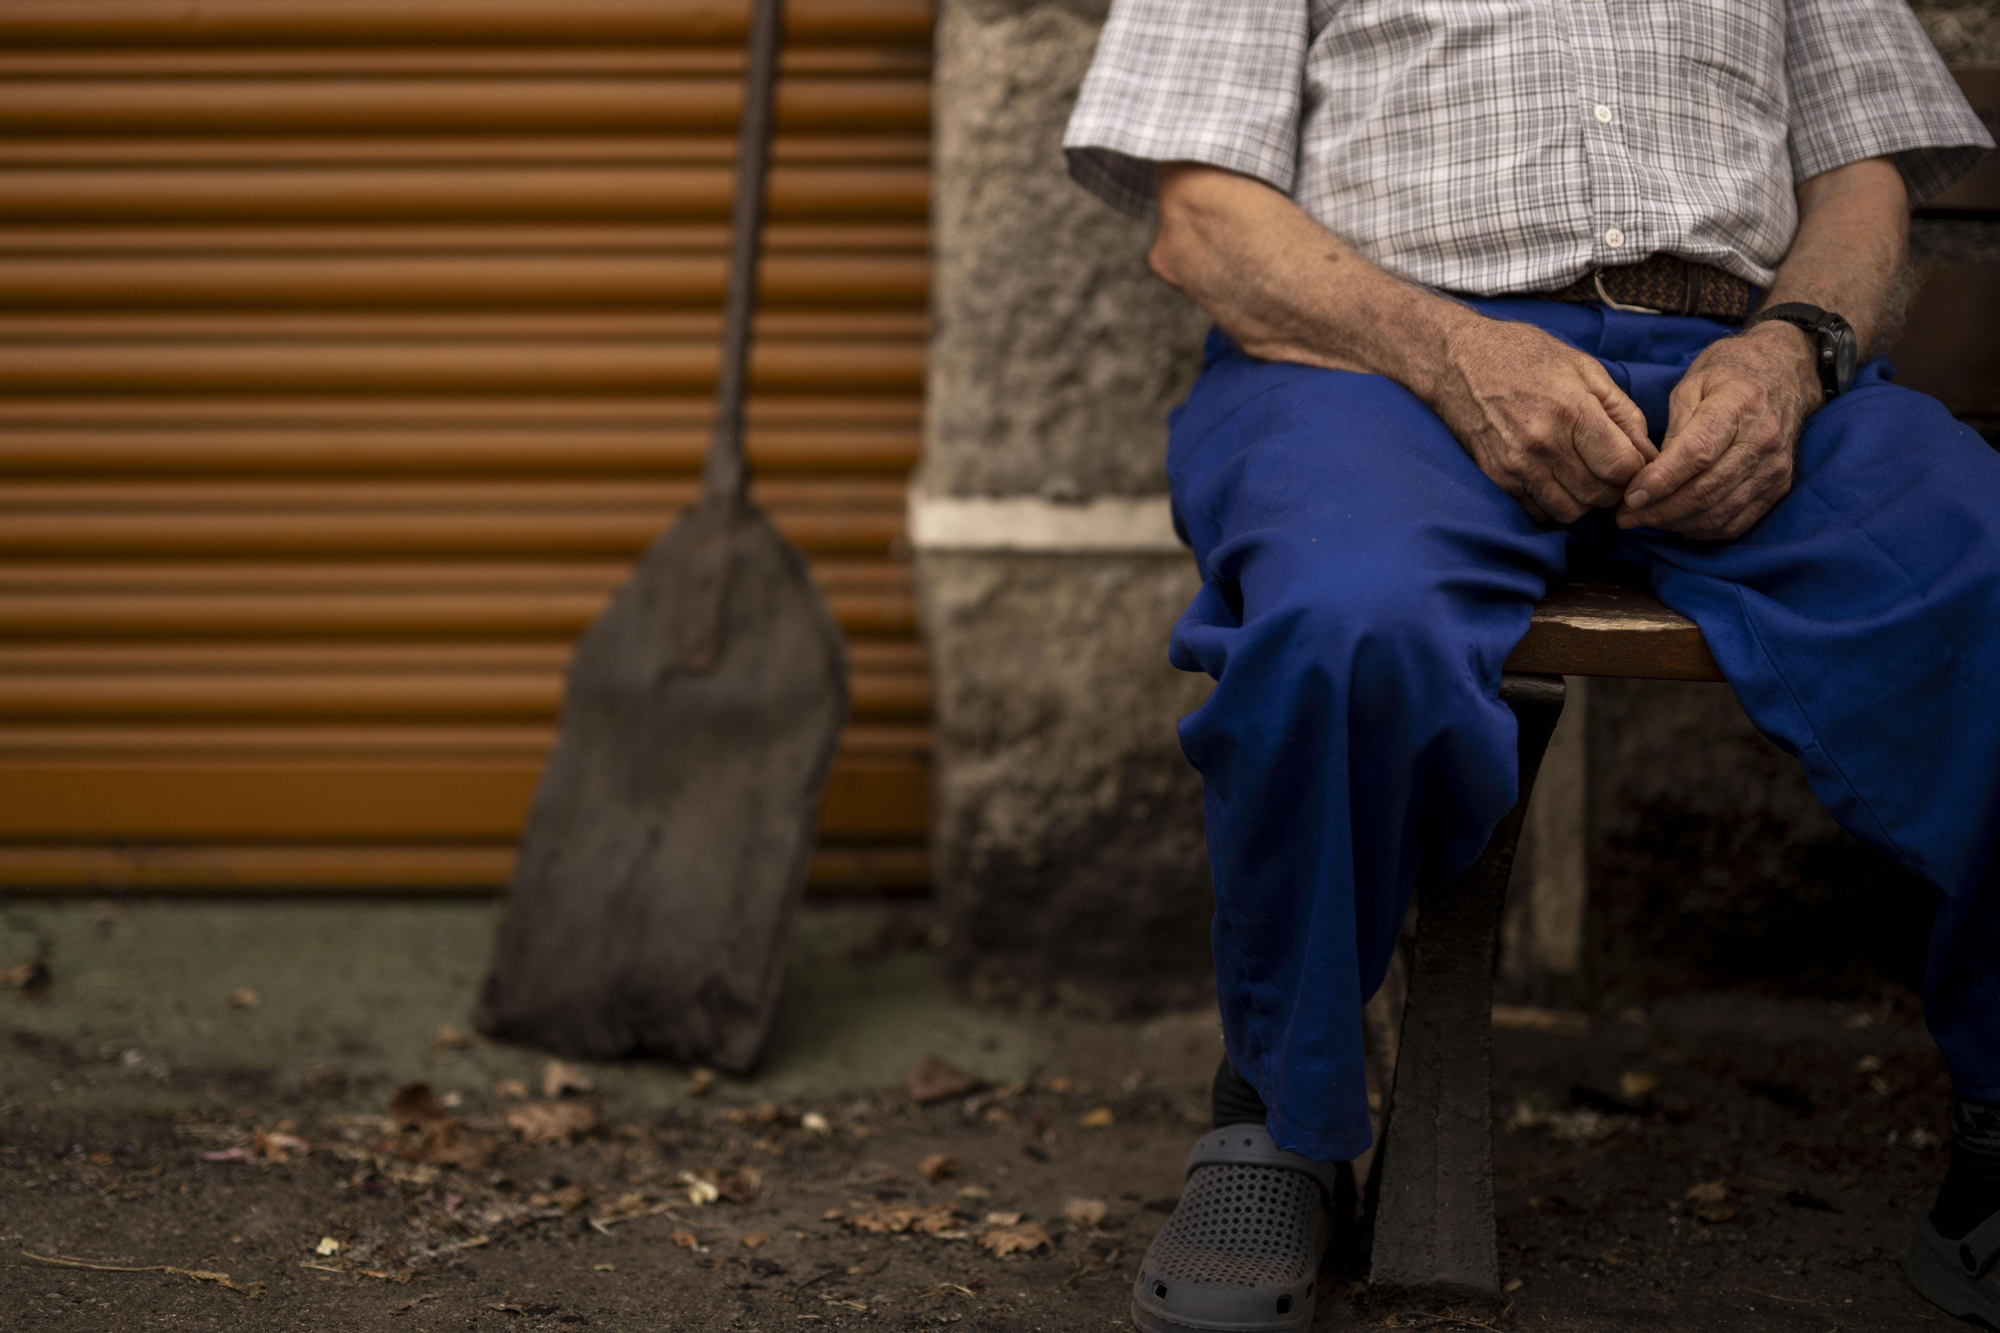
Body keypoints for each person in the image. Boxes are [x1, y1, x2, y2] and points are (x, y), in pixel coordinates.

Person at [1059, 1, 1996, 1328]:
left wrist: (1793, 355)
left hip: (1738, 366)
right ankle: (1277, 1117)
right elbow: (1201, 221)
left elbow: (1860, 177)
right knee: (1346, 621)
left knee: (1985, 577)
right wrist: (1450, 350)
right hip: (1375, 366)